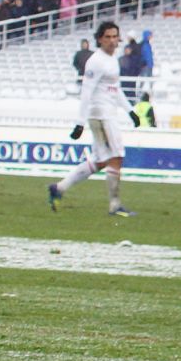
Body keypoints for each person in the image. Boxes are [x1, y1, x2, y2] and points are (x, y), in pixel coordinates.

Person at [47, 20, 135, 217]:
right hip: (101, 114)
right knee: (116, 156)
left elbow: (115, 88)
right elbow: (86, 91)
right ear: (99, 39)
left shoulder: (112, 59)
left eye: (115, 37)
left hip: (108, 112)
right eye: (108, 37)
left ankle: (59, 188)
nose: (112, 41)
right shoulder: (96, 61)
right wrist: (80, 122)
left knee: (100, 160)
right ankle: (115, 205)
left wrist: (131, 111)